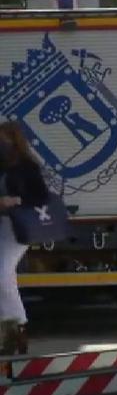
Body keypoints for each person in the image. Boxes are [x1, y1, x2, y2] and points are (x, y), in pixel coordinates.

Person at [0, 122, 49, 355]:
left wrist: (16, 200)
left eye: (4, 139)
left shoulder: (26, 166)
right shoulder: (3, 165)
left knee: (2, 273)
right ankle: (15, 329)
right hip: (2, 224)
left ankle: (16, 325)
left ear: (13, 139)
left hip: (18, 227)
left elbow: (40, 196)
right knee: (6, 277)